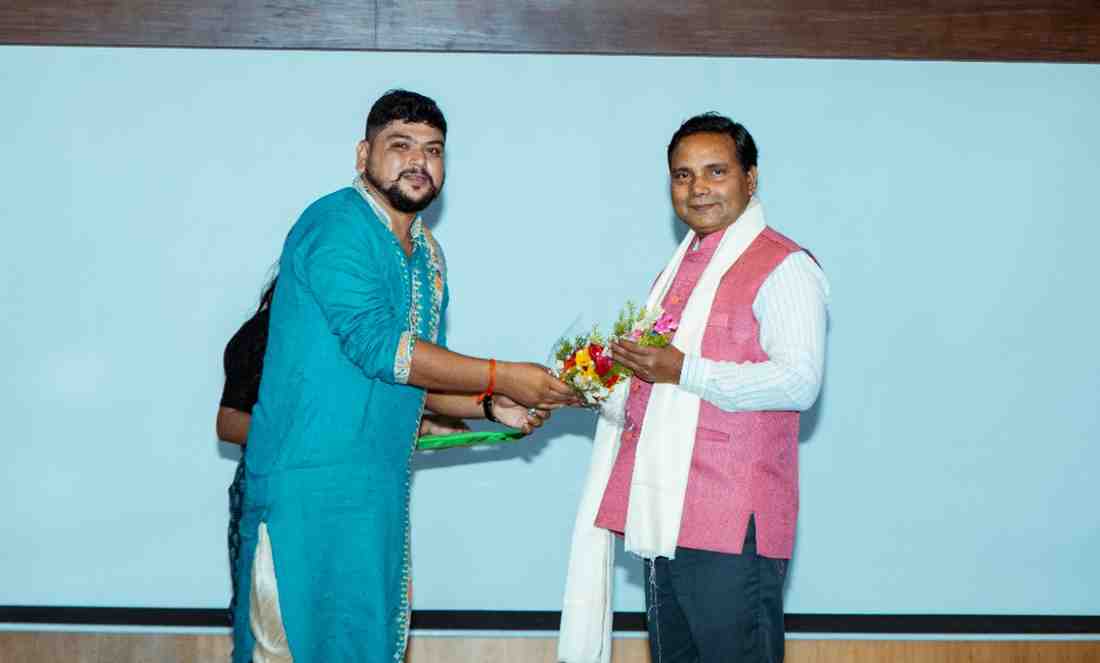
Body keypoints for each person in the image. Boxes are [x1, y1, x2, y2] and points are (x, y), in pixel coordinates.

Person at [230, 89, 575, 663]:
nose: (419, 161)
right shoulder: (335, 223)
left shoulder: (428, 254)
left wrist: (490, 404)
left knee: (366, 648)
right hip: (305, 489)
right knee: (288, 650)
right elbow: (382, 348)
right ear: (363, 154)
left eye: (433, 150)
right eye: (401, 145)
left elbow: (412, 377)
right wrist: (504, 374)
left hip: (377, 494)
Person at [560, 113, 829, 663]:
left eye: (715, 171)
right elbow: (654, 384)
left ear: (750, 178)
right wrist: (589, 388)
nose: (698, 187)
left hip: (733, 521)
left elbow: (798, 382)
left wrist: (686, 370)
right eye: (683, 176)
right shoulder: (680, 270)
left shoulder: (785, 266)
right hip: (665, 511)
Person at [215, 275, 469, 628]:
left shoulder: (366, 339)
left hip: (354, 495)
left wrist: (427, 423)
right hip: (278, 494)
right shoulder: (263, 335)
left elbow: (380, 410)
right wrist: (314, 434)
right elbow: (228, 424)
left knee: (352, 621)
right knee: (273, 622)